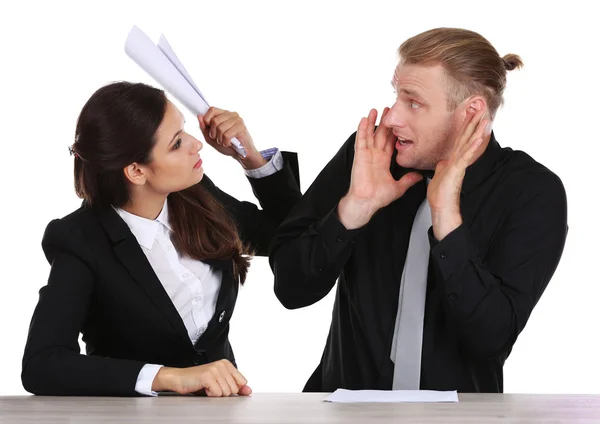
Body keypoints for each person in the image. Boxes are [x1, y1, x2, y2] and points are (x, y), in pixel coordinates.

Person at [269, 28, 568, 393]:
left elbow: (492, 339)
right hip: (343, 406)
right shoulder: (371, 154)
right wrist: (353, 211)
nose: (392, 117)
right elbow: (291, 289)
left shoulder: (532, 191)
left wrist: (447, 220)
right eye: (396, 96)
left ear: (470, 112)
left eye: (413, 102)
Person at [22, 81, 301, 397]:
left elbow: (293, 235)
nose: (197, 144)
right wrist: (168, 378)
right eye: (177, 143)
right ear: (136, 171)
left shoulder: (195, 194)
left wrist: (250, 157)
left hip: (221, 413)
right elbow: (42, 364)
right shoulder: (80, 241)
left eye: (184, 132)